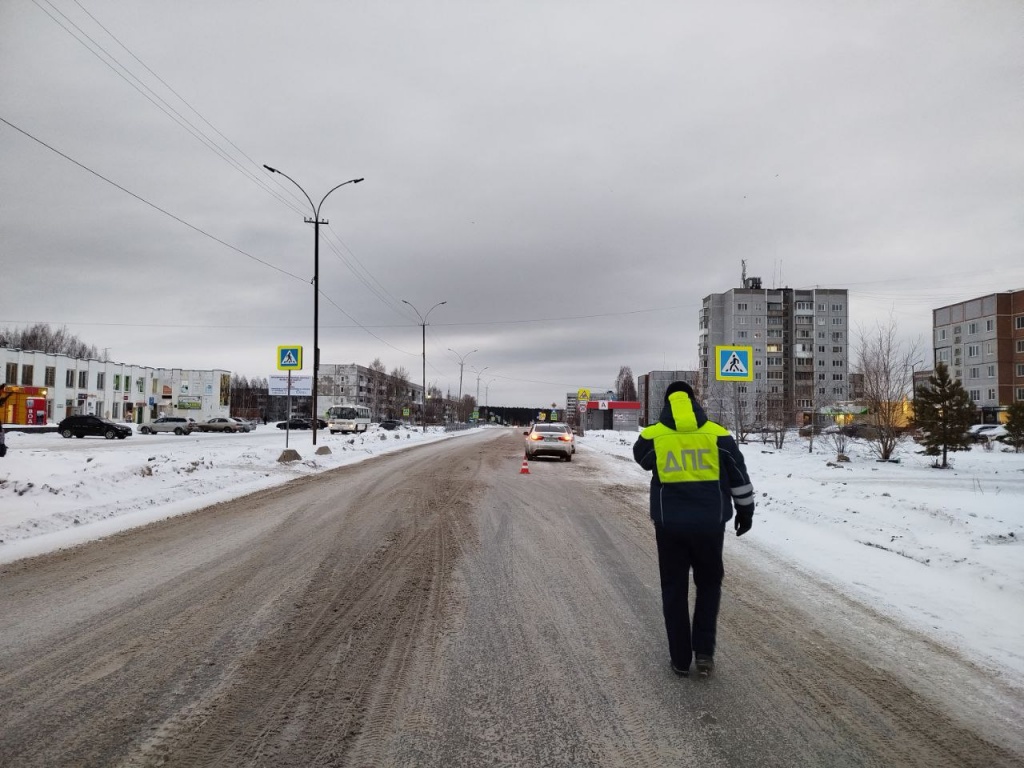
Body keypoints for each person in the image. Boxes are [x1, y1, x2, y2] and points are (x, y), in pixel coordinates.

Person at [633, 381, 754, 678]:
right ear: (694, 401)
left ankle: (679, 659)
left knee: (673, 589)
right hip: (709, 526)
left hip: (669, 525)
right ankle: (704, 654)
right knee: (709, 585)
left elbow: (643, 459)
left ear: (667, 405)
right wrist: (745, 511)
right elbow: (738, 476)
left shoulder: (652, 436)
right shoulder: (718, 435)